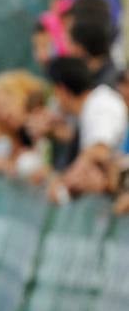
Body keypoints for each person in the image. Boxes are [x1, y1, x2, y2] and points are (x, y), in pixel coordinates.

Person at [46, 56, 127, 203]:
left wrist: (65, 180)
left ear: (61, 91)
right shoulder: (90, 107)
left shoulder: (100, 104)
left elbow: (99, 150)